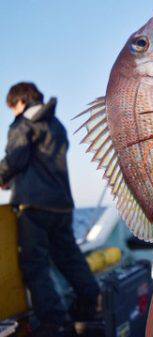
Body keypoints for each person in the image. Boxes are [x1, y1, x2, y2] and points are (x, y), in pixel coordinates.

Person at [0, 82, 100, 337]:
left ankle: (55, 323)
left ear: (21, 101)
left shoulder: (23, 124)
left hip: (33, 206)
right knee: (69, 258)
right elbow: (39, 162)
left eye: (12, 106)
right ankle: (92, 303)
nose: (12, 112)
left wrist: (3, 177)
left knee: (35, 266)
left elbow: (15, 159)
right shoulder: (56, 125)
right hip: (62, 205)